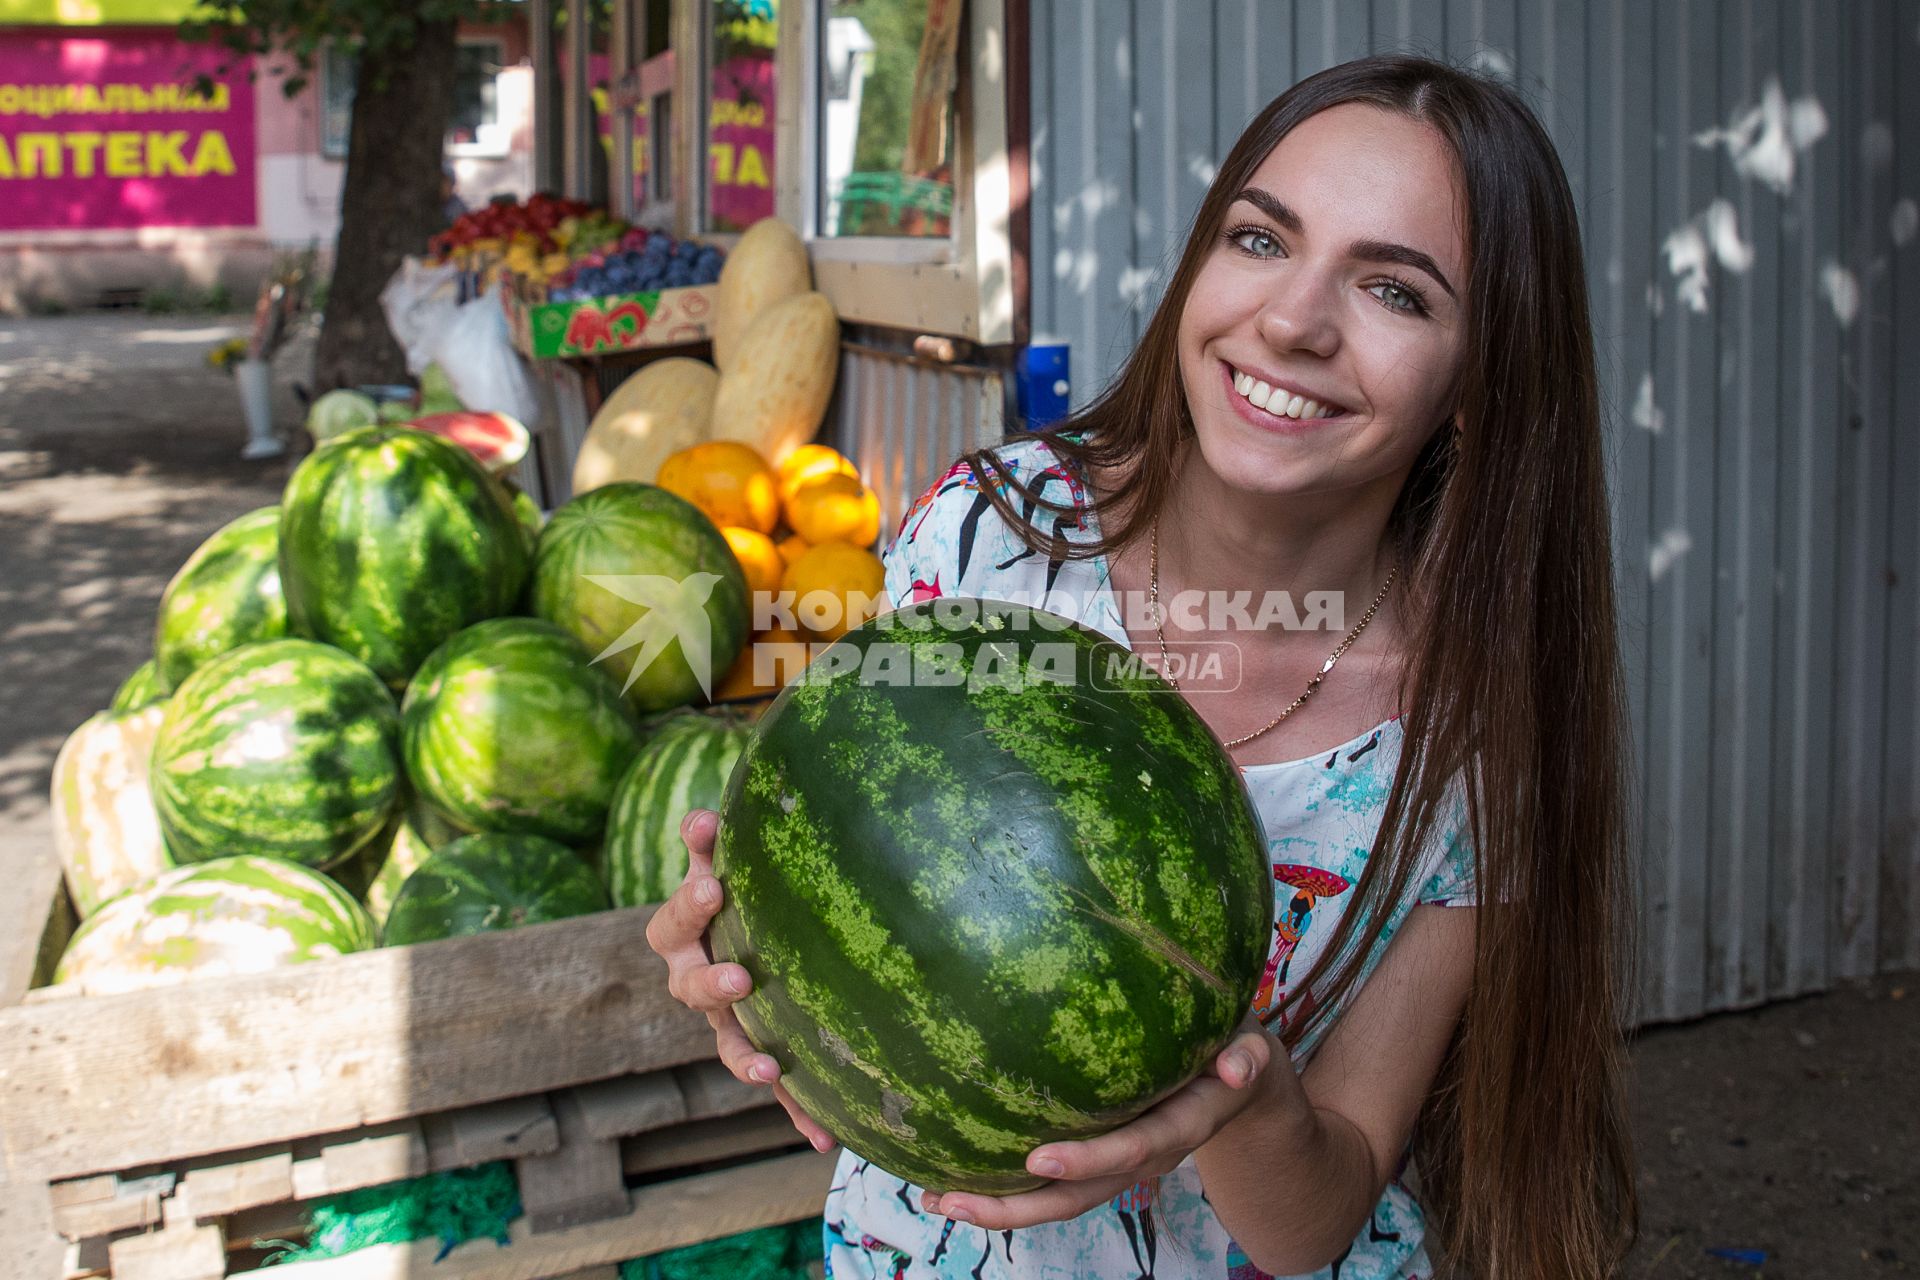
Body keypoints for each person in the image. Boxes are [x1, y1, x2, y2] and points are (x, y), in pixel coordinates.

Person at [647, 53, 1637, 1278]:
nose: (1292, 320)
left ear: (1477, 385)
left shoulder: (1468, 736)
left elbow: (1314, 1218)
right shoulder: (988, 541)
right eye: (1263, 241)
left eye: (1394, 289)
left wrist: (1245, 1093)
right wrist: (753, 957)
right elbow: (850, 862)